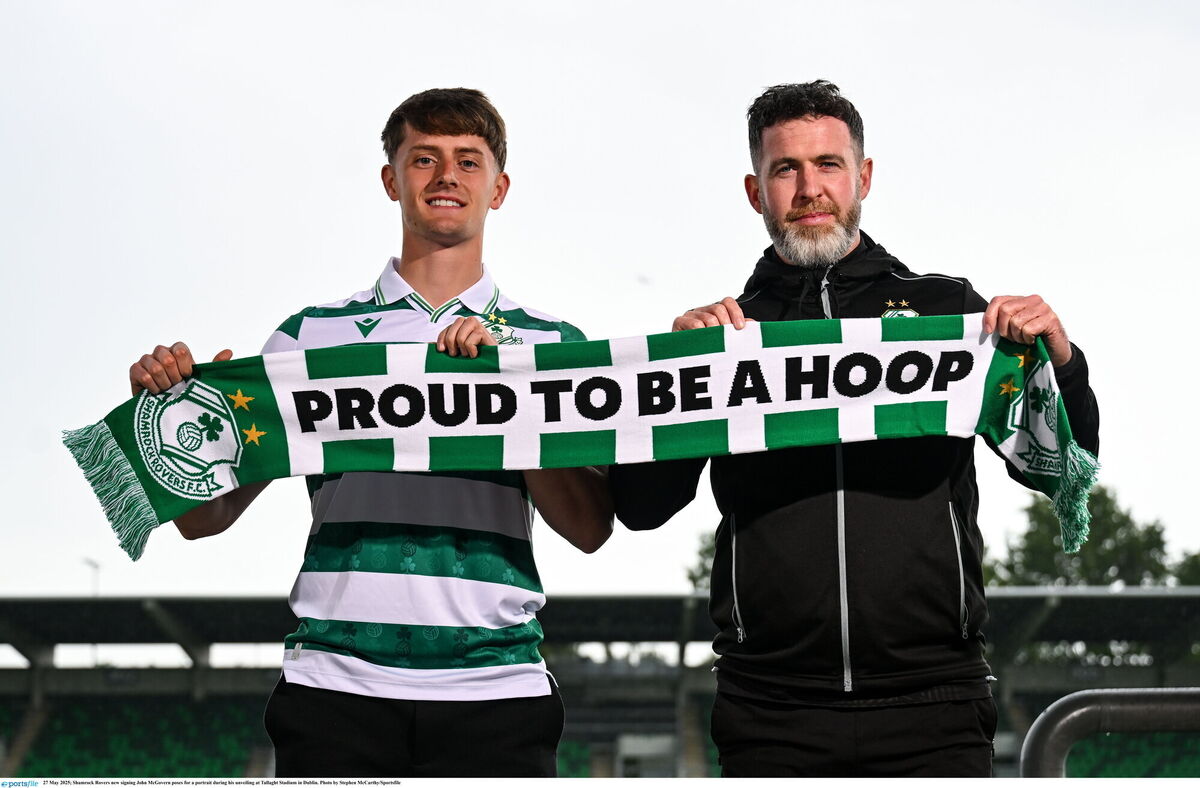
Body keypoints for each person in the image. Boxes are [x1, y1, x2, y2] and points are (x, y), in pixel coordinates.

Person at [608, 81, 1099, 777]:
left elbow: (1060, 464)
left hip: (936, 704)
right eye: (786, 169)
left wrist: (1060, 358)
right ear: (756, 192)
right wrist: (673, 382)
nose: (810, 188)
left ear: (862, 177)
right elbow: (639, 506)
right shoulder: (726, 337)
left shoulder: (948, 313)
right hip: (768, 711)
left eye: (828, 165)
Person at [127, 88, 613, 777]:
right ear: (392, 179)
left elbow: (591, 527)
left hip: (495, 689)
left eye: (468, 162)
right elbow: (205, 519)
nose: (447, 177)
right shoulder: (307, 339)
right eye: (425, 158)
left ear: (498, 188)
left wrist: (517, 397)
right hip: (335, 687)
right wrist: (166, 417)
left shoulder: (547, 345)